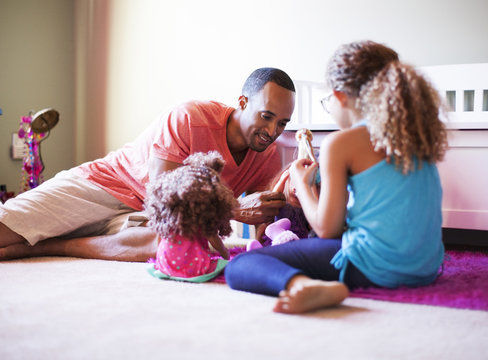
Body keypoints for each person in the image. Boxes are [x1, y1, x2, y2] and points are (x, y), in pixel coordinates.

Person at [225, 41, 448, 314]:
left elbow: (326, 229)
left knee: (242, 266)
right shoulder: (414, 140)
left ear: (339, 96)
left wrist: (303, 182)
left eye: (328, 100)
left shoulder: (340, 144)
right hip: (425, 268)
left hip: (376, 266)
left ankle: (300, 285)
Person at [0, 67, 295, 262]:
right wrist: (232, 209)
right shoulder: (190, 117)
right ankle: (48, 235)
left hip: (146, 219)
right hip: (106, 184)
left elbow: (265, 224)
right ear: (243, 102)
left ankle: (50, 245)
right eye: (266, 116)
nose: (272, 131)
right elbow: (161, 198)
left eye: (282, 123)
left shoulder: (269, 155)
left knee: (175, 241)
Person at [146, 151, 237, 282]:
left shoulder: (171, 219)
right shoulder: (202, 222)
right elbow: (216, 243)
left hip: (165, 266)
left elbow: (161, 240)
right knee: (224, 264)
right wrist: (226, 255)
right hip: (194, 269)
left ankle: (167, 269)